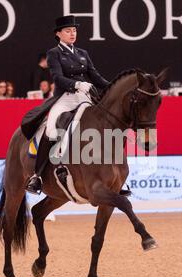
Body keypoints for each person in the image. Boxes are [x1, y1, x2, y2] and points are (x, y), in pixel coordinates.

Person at [24, 15, 110, 194]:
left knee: (105, 126)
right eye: (68, 31)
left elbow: (95, 77)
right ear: (58, 34)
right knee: (51, 128)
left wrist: (113, 87)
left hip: (84, 98)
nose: (72, 34)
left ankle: (114, 175)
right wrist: (77, 84)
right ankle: (37, 176)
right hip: (64, 97)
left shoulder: (82, 53)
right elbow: (57, 78)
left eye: (74, 30)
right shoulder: (53, 53)